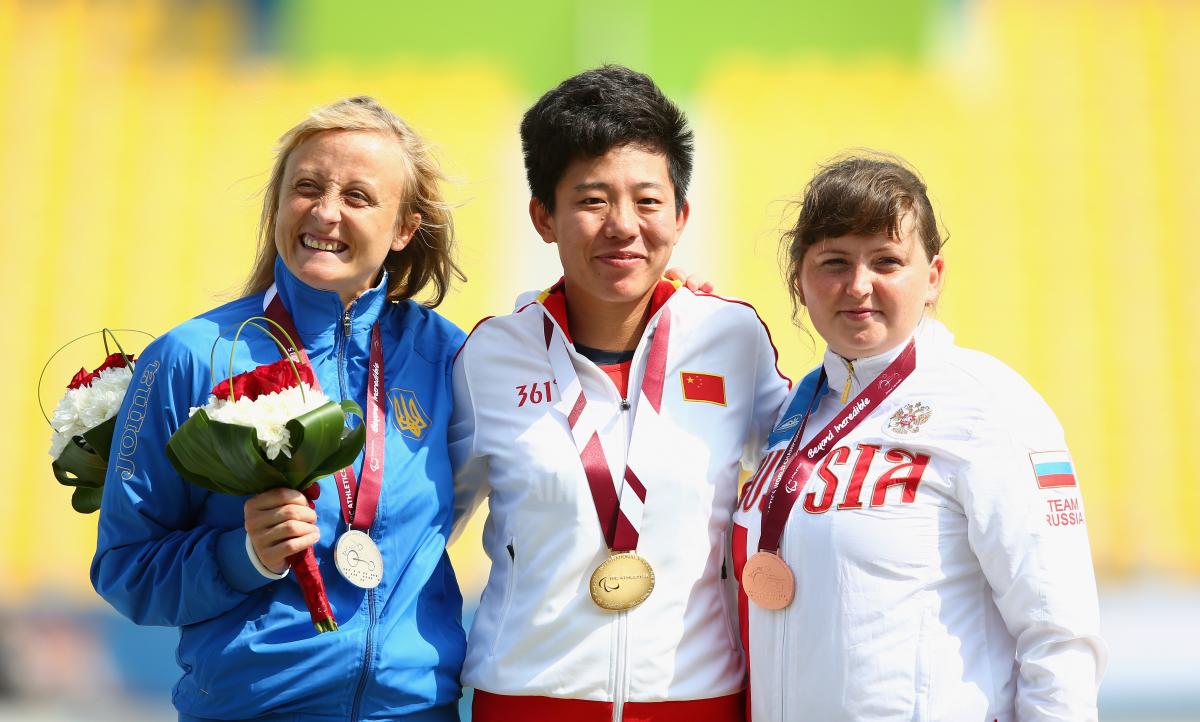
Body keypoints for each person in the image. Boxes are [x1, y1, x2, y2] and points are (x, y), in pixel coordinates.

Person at [91, 97, 467, 722]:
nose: (325, 212)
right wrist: (245, 556)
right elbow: (125, 568)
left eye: (357, 196)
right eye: (307, 188)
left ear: (404, 228)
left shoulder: (448, 356)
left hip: (417, 710)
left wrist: (669, 296)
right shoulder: (190, 356)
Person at [450, 65, 790, 722]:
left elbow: (802, 474)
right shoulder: (489, 357)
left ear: (683, 215)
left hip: (695, 702)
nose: (623, 225)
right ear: (543, 217)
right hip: (527, 703)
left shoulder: (733, 338)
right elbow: (423, 519)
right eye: (592, 199)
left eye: (648, 200)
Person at [732, 154, 1107, 721]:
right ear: (798, 280)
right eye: (834, 262)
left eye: (887, 261)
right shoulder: (792, 415)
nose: (859, 286)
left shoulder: (990, 406)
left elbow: (1060, 635)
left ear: (932, 278)